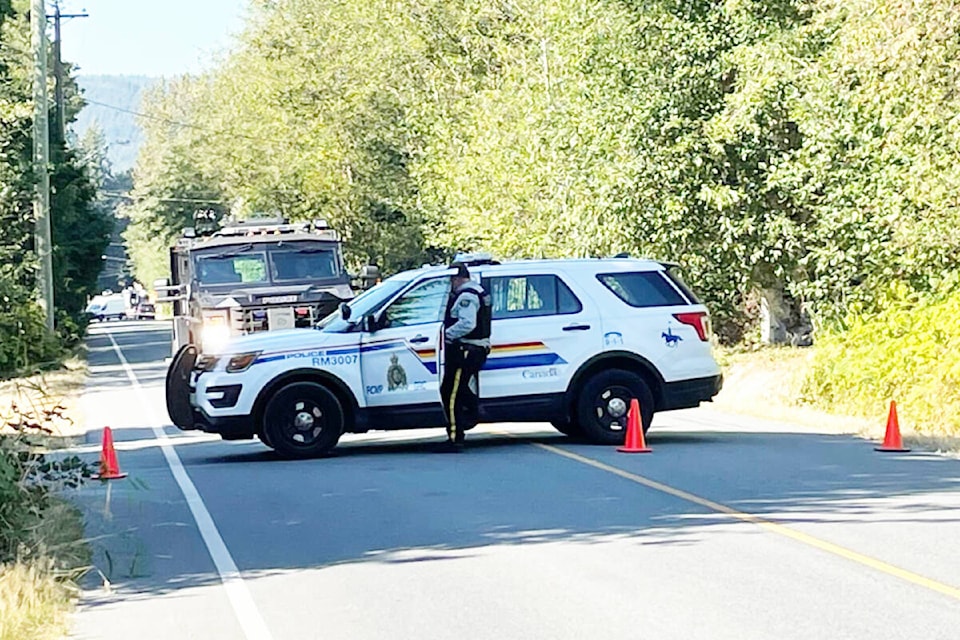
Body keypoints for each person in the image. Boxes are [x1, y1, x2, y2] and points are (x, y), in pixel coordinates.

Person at [438, 262, 492, 453]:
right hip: (472, 349)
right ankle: (474, 409)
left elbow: (467, 323)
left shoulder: (467, 295)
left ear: (457, 278)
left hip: (466, 350)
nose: (450, 284)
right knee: (457, 389)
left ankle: (455, 438)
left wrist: (446, 335)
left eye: (451, 280)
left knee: (450, 392)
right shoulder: (478, 291)